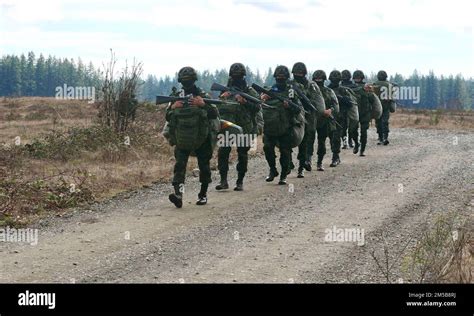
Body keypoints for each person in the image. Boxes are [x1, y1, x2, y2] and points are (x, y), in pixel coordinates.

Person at [166, 66, 219, 208]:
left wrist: (203, 105)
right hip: (182, 139)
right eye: (184, 81)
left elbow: (214, 114)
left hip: (202, 138)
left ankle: (203, 195)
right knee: (180, 168)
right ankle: (179, 195)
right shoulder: (176, 96)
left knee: (204, 167)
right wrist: (173, 107)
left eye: (188, 81)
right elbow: (168, 117)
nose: (186, 83)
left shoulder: (202, 95)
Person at [216, 63, 261, 191]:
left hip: (245, 127)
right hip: (227, 127)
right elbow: (218, 108)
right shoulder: (224, 90)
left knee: (242, 154)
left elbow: (257, 108)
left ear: (243, 76)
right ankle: (223, 181)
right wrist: (222, 98)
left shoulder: (250, 92)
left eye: (239, 76)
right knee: (223, 153)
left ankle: (240, 181)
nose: (236, 78)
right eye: (235, 76)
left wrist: (245, 102)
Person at [261, 65, 303, 185]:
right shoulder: (269, 90)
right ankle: (273, 170)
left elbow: (298, 109)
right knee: (267, 148)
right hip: (270, 127)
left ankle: (283, 175)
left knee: (285, 152)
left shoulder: (291, 92)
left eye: (282, 77)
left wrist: (289, 105)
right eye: (278, 77)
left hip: (286, 127)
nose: (280, 79)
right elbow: (259, 105)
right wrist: (263, 98)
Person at [290, 62, 325, 177]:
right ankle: (289, 161)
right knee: (288, 138)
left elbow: (318, 103)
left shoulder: (312, 85)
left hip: (309, 116)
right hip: (293, 115)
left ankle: (303, 164)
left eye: (300, 73)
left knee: (306, 140)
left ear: (304, 73)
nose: (298, 75)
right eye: (296, 73)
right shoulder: (290, 85)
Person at [327, 70, 359, 159]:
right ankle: (336, 155)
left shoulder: (344, 90)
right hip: (330, 117)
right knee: (332, 137)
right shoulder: (327, 90)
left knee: (337, 137)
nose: (335, 81)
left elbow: (350, 103)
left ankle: (335, 156)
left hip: (341, 117)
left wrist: (342, 99)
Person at [312, 70, 340, 170]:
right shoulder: (310, 91)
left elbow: (335, 106)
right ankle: (313, 161)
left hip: (326, 119)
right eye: (317, 79)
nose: (318, 80)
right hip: (313, 119)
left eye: (320, 78)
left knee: (329, 140)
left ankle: (333, 157)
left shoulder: (329, 91)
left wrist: (330, 110)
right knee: (313, 142)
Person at [351, 70, 382, 156]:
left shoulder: (367, 87)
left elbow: (372, 99)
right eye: (356, 78)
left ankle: (362, 150)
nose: (357, 79)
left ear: (362, 78)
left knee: (363, 132)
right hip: (354, 112)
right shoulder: (351, 87)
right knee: (353, 131)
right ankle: (357, 144)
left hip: (365, 113)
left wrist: (369, 92)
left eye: (359, 78)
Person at [373, 70, 394, 145]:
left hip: (377, 107)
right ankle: (385, 137)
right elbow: (392, 96)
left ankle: (381, 138)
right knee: (384, 122)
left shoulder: (374, 84)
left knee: (378, 122)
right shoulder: (389, 85)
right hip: (386, 106)